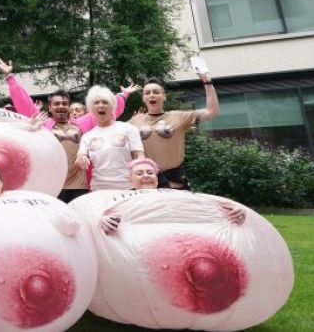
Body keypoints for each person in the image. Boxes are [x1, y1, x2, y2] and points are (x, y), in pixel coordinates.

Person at [98, 158, 244, 234]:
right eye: (139, 173)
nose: (146, 176)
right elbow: (98, 213)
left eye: (150, 173)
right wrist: (101, 219)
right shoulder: (122, 197)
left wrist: (232, 208)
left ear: (157, 177)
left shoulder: (171, 193)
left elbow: (202, 200)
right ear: (130, 179)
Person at [128, 74, 220, 189]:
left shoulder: (179, 117)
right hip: (146, 179)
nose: (152, 95)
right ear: (143, 98)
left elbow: (212, 111)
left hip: (175, 178)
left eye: (156, 92)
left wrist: (207, 83)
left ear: (164, 96)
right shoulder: (133, 122)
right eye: (147, 93)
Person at [0, 58, 136, 132]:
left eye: (64, 104)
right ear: (49, 108)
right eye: (56, 104)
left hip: (82, 184)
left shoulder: (82, 123)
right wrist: (10, 77)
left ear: (68, 107)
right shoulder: (43, 123)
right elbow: (25, 106)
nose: (61, 106)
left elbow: (107, 110)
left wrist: (123, 96)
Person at [75, 86, 145, 191]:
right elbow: (80, 158)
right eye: (96, 103)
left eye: (105, 102)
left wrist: (140, 173)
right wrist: (80, 159)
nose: (101, 105)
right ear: (91, 108)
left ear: (112, 106)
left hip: (128, 187)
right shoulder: (87, 136)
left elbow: (139, 156)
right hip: (99, 189)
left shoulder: (129, 129)